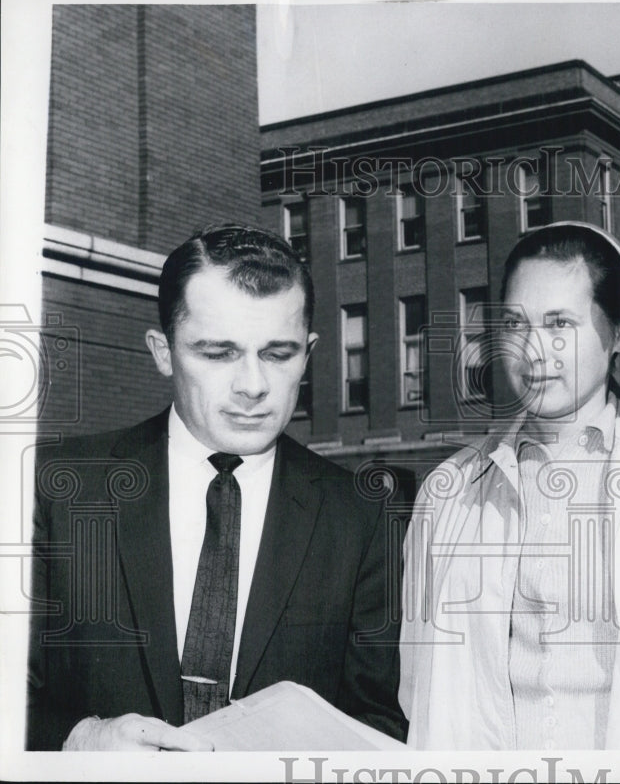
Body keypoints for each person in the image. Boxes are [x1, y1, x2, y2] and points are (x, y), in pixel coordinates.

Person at [28, 224, 406, 750]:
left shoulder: (361, 516)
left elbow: (377, 727)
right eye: (218, 352)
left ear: (310, 353)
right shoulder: (52, 489)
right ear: (163, 352)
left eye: (277, 354)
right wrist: (81, 739)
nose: (252, 385)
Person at [399, 221, 620, 750]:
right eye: (515, 324)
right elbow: (419, 688)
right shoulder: (447, 492)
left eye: (560, 324)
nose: (533, 351)